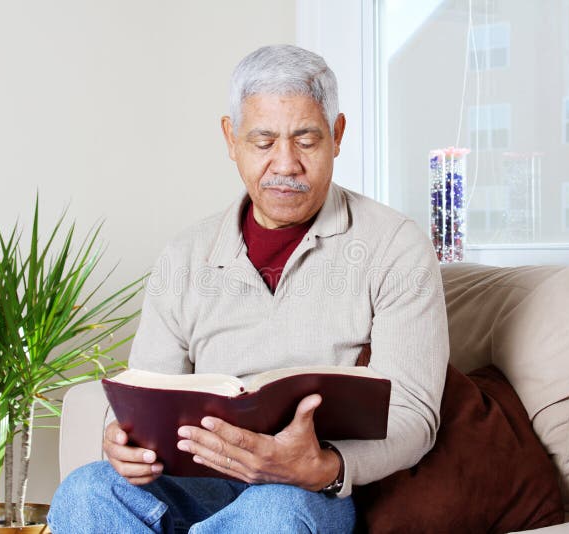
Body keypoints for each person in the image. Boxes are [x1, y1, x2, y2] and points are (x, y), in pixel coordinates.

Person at [48, 44, 449, 534]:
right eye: (263, 142)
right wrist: (123, 442)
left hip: (303, 488)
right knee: (87, 489)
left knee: (271, 514)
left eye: (306, 140)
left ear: (338, 135)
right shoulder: (185, 254)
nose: (286, 164)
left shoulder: (395, 245)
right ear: (230, 138)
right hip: (198, 479)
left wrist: (323, 465)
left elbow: (415, 414)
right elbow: (147, 392)